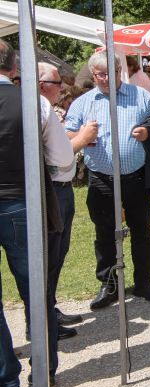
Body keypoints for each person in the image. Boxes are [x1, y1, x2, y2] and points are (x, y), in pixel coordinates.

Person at [65, 51, 150, 309]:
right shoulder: (83, 102)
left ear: (121, 70)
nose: (107, 78)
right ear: (93, 75)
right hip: (101, 178)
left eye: (113, 72)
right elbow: (68, 135)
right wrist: (82, 135)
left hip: (135, 176)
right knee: (105, 232)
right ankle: (109, 286)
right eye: (101, 74)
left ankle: (143, 282)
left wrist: (147, 131)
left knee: (141, 230)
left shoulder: (140, 95)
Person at [0, 41, 72, 387]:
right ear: (14, 68)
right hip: (21, 201)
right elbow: (62, 157)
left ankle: (6, 378)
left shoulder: (36, 102)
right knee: (35, 291)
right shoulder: (34, 102)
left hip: (17, 200)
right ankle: (44, 372)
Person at [37, 63, 85, 336]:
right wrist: (83, 138)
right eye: (58, 83)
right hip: (53, 190)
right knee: (51, 254)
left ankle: (49, 308)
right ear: (43, 86)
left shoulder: (43, 107)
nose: (63, 88)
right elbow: (62, 157)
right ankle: (44, 318)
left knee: (57, 252)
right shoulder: (43, 108)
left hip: (58, 188)